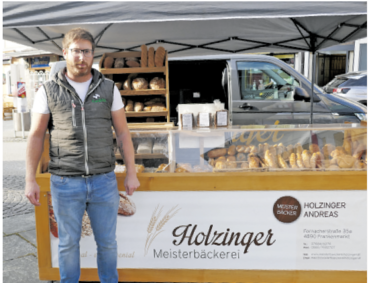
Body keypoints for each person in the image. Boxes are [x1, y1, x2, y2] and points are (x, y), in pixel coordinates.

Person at [24, 28, 140, 283]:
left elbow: (122, 133)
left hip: (103, 180)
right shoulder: (48, 90)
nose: (81, 57)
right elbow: (36, 136)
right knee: (67, 244)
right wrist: (29, 179)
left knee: (107, 243)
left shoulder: (109, 88)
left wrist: (131, 172)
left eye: (86, 51)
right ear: (65, 53)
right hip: (65, 182)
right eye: (76, 51)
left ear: (93, 54)